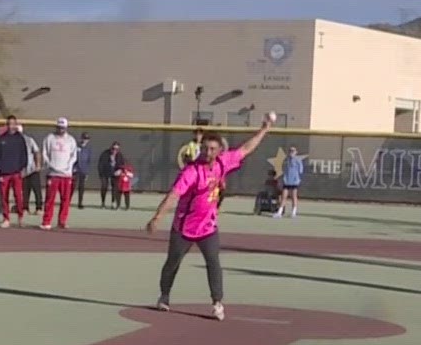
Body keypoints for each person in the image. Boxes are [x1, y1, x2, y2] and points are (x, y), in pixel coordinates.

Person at [146, 114, 276, 322]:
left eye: (212, 149)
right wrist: (157, 217)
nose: (208, 152)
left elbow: (245, 149)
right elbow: (174, 195)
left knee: (213, 263)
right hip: (184, 228)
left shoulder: (223, 163)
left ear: (219, 151)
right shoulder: (192, 171)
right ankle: (164, 295)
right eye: (205, 148)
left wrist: (264, 130)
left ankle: (217, 303)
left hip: (207, 227)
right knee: (172, 262)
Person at [0, 115, 32, 227]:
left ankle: (20, 218)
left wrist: (23, 168)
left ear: (15, 124)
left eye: (12, 124)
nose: (10, 126)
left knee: (18, 196)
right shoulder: (2, 138)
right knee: (4, 197)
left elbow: (24, 155)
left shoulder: (20, 138)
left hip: (16, 172)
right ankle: (6, 219)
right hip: (4, 173)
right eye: (8, 124)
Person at [40, 117, 80, 230]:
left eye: (63, 128)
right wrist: (50, 165)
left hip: (66, 174)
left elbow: (74, 156)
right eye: (59, 127)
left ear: (66, 128)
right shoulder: (49, 138)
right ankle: (46, 221)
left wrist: (69, 166)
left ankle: (62, 221)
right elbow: (44, 153)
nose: (61, 130)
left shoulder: (71, 140)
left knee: (65, 199)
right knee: (50, 199)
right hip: (53, 174)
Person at [276, 146, 304, 218]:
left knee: (294, 196)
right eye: (290, 151)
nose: (291, 152)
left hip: (294, 182)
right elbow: (283, 169)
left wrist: (296, 179)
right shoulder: (286, 160)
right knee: (284, 196)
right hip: (287, 181)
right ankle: (279, 212)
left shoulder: (298, 160)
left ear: (296, 152)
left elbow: (300, 171)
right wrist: (284, 178)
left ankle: (293, 212)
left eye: (293, 151)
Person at [97, 141, 126, 209]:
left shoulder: (119, 155)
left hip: (115, 173)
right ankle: (103, 203)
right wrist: (101, 174)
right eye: (113, 148)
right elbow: (100, 164)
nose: (115, 151)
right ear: (111, 148)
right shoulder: (105, 153)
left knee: (115, 187)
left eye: (117, 149)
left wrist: (120, 170)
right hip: (105, 172)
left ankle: (113, 202)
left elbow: (122, 165)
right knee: (104, 186)